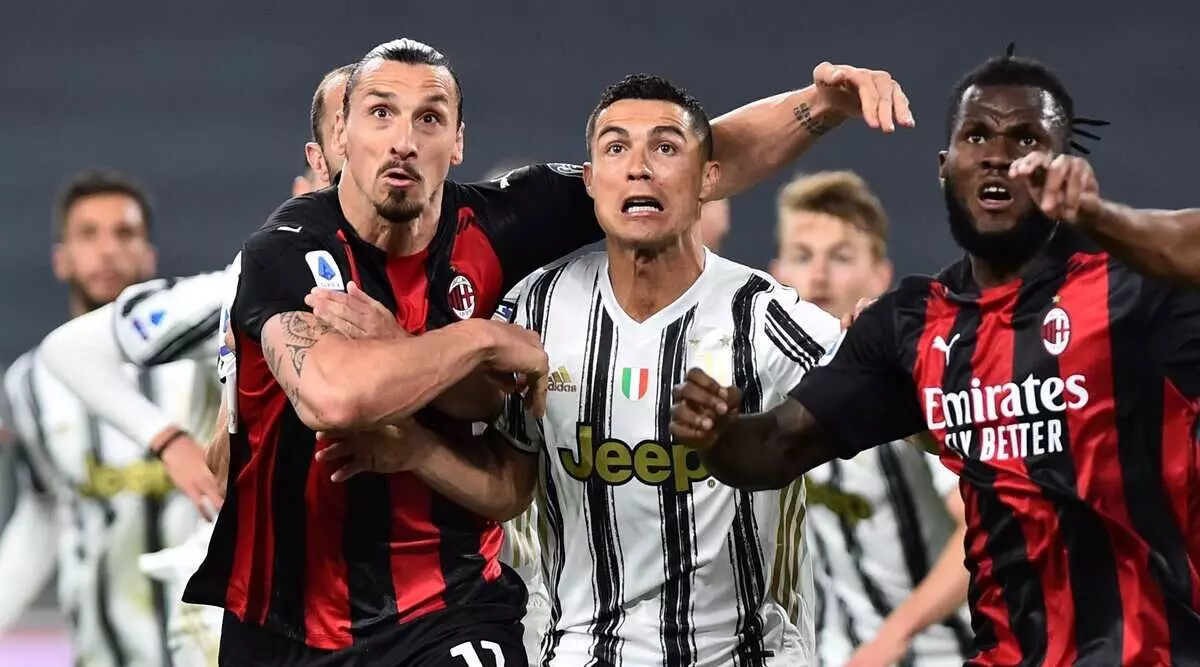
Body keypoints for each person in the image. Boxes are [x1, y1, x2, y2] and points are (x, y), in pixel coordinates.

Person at [186, 36, 911, 666]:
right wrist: (483, 338)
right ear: (340, 138)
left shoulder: (505, 224)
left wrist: (823, 106)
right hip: (284, 617)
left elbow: (692, 156)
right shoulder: (286, 250)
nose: (404, 139)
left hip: (449, 606)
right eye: (380, 113)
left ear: (458, 141)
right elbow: (336, 397)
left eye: (429, 118)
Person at [672, 50, 1200, 666]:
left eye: (1027, 139)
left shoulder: (1138, 293)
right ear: (945, 168)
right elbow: (774, 448)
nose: (999, 155)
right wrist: (718, 436)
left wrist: (1100, 218)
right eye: (977, 136)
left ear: (1064, 167)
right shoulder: (912, 324)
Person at [485, 74, 842, 666]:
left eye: (666, 147)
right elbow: (504, 485)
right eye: (616, 148)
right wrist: (409, 447)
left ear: (710, 179)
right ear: (589, 180)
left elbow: (896, 406)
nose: (639, 168)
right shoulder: (536, 309)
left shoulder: (761, 312)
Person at [0, 170, 219, 666]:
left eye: (124, 233)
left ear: (149, 255)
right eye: (88, 234)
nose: (107, 251)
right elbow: (44, 510)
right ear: (61, 259)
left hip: (207, 646)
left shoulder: (203, 363)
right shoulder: (29, 384)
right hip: (100, 650)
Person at [770, 171, 971, 666]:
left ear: (880, 275)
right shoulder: (767, 382)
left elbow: (982, 526)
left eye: (840, 257)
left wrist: (891, 637)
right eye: (802, 256)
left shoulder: (909, 376)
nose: (819, 277)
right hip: (834, 654)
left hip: (943, 655)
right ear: (776, 273)